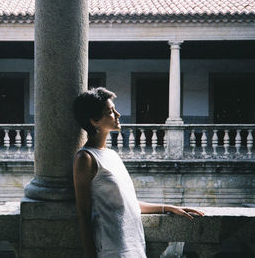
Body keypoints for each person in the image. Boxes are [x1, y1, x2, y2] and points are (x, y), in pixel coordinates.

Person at [73, 87, 204, 258]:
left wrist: (167, 208)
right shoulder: (86, 159)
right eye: (111, 112)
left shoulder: (111, 155)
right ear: (95, 120)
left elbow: (128, 203)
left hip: (134, 243)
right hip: (112, 249)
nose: (118, 114)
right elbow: (83, 214)